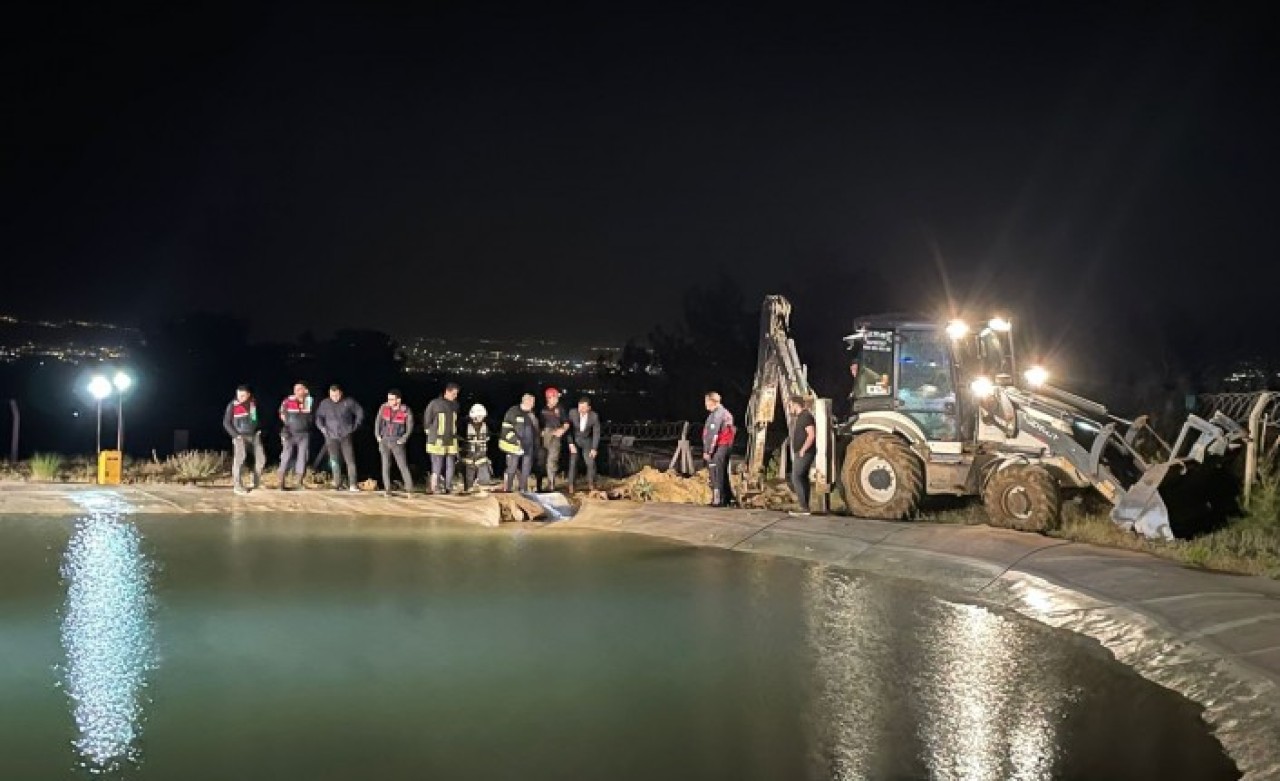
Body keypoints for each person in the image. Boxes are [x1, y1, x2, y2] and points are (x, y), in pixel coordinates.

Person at [315, 384, 364, 491]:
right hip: (331, 436)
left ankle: (353, 484)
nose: (335, 397)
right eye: (332, 395)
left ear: (341, 393)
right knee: (334, 461)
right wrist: (322, 428)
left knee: (350, 461)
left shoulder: (349, 402)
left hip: (346, 435)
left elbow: (360, 412)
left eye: (337, 395)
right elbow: (319, 417)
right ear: (329, 394)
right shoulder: (325, 403)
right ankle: (337, 484)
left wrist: (355, 426)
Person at [223, 384, 265, 494]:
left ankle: (255, 482)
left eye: (243, 395)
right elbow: (226, 423)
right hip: (239, 436)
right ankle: (237, 486)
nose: (240, 398)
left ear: (248, 395)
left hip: (254, 436)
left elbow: (256, 419)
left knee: (261, 459)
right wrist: (235, 435)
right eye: (238, 395)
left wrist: (259, 430)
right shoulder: (232, 405)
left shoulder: (253, 404)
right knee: (239, 460)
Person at [375, 388, 415, 497]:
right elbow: (378, 422)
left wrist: (403, 439)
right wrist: (378, 436)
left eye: (392, 399)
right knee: (385, 466)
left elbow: (410, 427)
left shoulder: (405, 410)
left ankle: (410, 490)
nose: (389, 401)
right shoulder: (384, 407)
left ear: (398, 400)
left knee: (402, 466)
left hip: (397, 441)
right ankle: (387, 490)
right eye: (388, 399)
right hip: (384, 440)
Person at [423, 382, 461, 494]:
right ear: (447, 392)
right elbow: (427, 420)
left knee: (451, 464)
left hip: (451, 439)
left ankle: (448, 487)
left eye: (457, 394)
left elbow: (456, 423)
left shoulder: (456, 405)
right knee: (437, 465)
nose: (455, 396)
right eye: (454, 394)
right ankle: (435, 487)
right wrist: (431, 434)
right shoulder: (435, 404)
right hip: (437, 440)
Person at [277, 382, 314, 490]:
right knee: (286, 456)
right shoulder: (288, 400)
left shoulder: (309, 401)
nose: (297, 391)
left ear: (305, 390)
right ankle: (281, 482)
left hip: (304, 434)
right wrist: (287, 425)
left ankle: (299, 482)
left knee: (303, 457)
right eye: (296, 389)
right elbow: (282, 414)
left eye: (300, 389)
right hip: (290, 432)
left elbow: (312, 415)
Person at [499, 393, 539, 492]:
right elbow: (506, 429)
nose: (532, 404)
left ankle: (523, 489)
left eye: (533, 402)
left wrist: (536, 445)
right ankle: (508, 489)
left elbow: (535, 431)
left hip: (528, 445)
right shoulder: (513, 411)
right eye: (531, 402)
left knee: (526, 468)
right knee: (512, 468)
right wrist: (515, 440)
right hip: (514, 445)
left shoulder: (531, 415)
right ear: (525, 401)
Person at [702, 391, 735, 507]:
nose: (705, 404)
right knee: (722, 472)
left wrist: (708, 452)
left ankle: (718, 499)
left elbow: (713, 435)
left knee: (716, 473)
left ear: (712, 402)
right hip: (725, 447)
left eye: (706, 401)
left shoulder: (717, 415)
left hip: (719, 447)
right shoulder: (724, 413)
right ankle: (727, 498)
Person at [787, 396, 817, 516]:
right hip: (801, 451)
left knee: (796, 477)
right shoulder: (801, 417)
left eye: (790, 405)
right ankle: (805, 507)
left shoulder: (805, 416)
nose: (789, 408)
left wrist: (803, 450)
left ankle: (803, 507)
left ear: (795, 404)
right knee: (802, 478)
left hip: (805, 452)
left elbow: (811, 435)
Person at [537, 387, 571, 491]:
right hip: (544, 436)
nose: (556, 399)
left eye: (556, 397)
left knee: (552, 460)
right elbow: (539, 423)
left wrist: (562, 430)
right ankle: (539, 485)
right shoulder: (543, 409)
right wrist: (541, 431)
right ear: (549, 398)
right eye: (554, 397)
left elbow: (566, 423)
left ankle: (551, 484)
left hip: (555, 435)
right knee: (542, 461)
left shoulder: (560, 408)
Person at [567, 396, 601, 493]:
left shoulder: (594, 416)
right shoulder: (572, 413)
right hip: (575, 439)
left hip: (587, 440)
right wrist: (571, 444)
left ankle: (591, 484)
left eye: (583, 407)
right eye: (579, 407)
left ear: (588, 408)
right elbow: (568, 430)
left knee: (590, 462)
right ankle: (571, 485)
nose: (581, 409)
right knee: (573, 462)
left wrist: (594, 448)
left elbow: (596, 433)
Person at [461, 403, 494, 491]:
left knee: (484, 479)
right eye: (479, 416)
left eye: (482, 416)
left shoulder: (486, 426)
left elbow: (488, 439)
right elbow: (460, 440)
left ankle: (483, 496)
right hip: (468, 458)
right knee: (468, 482)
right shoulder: (464, 427)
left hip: (481, 458)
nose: (481, 418)